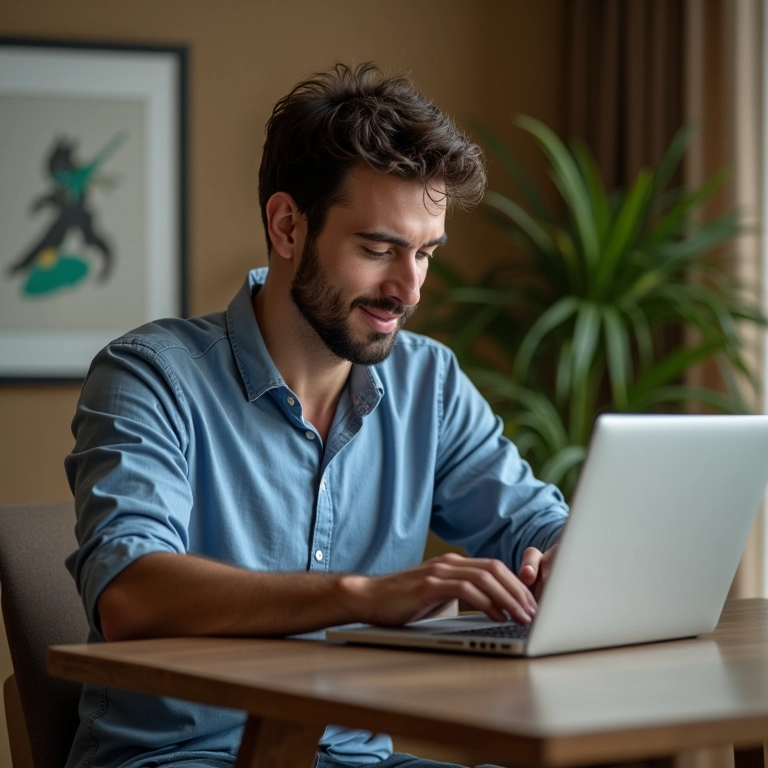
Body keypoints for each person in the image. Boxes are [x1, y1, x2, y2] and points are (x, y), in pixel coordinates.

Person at [64, 62, 568, 768]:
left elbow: (534, 524)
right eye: (378, 249)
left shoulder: (430, 382)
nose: (408, 289)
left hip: (355, 759)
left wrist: (564, 557)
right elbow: (131, 592)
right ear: (287, 225)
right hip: (181, 759)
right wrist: (365, 595)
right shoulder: (150, 376)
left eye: (425, 253)